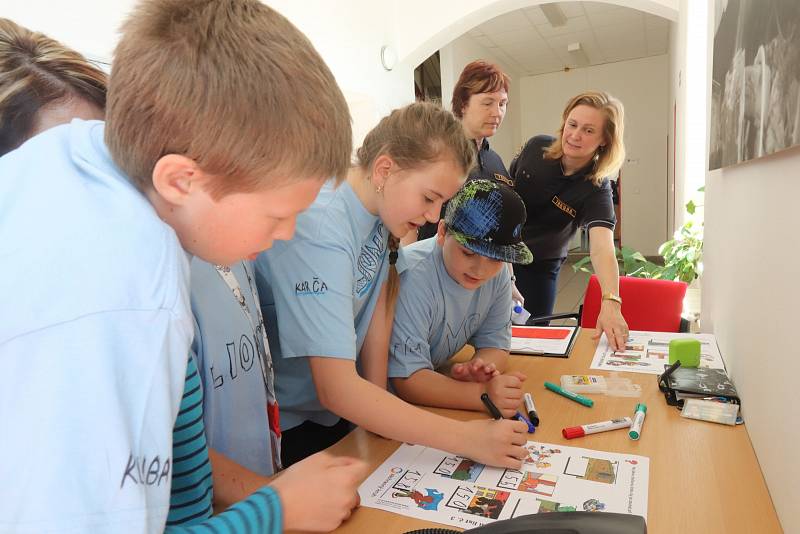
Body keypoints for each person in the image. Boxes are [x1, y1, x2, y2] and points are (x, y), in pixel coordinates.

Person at [0, 3, 366, 531]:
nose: (286, 234)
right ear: (181, 181)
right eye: (278, 214)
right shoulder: (127, 295)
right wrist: (274, 512)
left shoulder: (82, 167)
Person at [255, 101, 529, 469]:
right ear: (385, 169)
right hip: (291, 422)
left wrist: (375, 418)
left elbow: (377, 313)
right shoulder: (324, 228)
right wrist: (466, 438)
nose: (434, 216)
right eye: (429, 198)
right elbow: (335, 387)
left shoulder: (381, 214)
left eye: (442, 202)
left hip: (342, 413)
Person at [388, 180, 533, 417]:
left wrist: (481, 368)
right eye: (468, 253)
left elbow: (495, 344)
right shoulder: (412, 278)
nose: (480, 270)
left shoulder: (497, 276)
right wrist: (483, 395)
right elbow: (408, 380)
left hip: (433, 395)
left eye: (496, 259)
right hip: (387, 406)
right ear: (443, 232)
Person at [509, 90, 629, 350]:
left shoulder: (596, 188)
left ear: (604, 140)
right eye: (572, 125)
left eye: (588, 130)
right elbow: (503, 196)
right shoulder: (535, 148)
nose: (575, 135)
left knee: (531, 340)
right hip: (500, 254)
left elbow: (602, 247)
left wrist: (610, 301)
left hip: (540, 267)